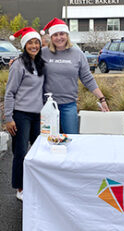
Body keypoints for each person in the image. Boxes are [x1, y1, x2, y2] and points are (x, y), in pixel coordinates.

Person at [40, 18, 109, 134]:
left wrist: (102, 99)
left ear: (67, 35)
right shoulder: (43, 53)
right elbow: (28, 63)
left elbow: (87, 78)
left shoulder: (77, 54)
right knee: (47, 139)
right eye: (55, 35)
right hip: (47, 106)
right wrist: (17, 61)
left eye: (62, 34)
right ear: (51, 37)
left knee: (71, 139)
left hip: (68, 105)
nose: (59, 37)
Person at [5, 27, 45, 201]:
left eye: (36, 42)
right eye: (30, 43)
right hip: (21, 115)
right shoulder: (19, 65)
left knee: (38, 152)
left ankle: (35, 184)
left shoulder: (41, 63)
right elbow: (9, 92)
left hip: (38, 115)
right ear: (24, 45)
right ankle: (20, 187)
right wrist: (8, 117)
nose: (34, 46)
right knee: (21, 152)